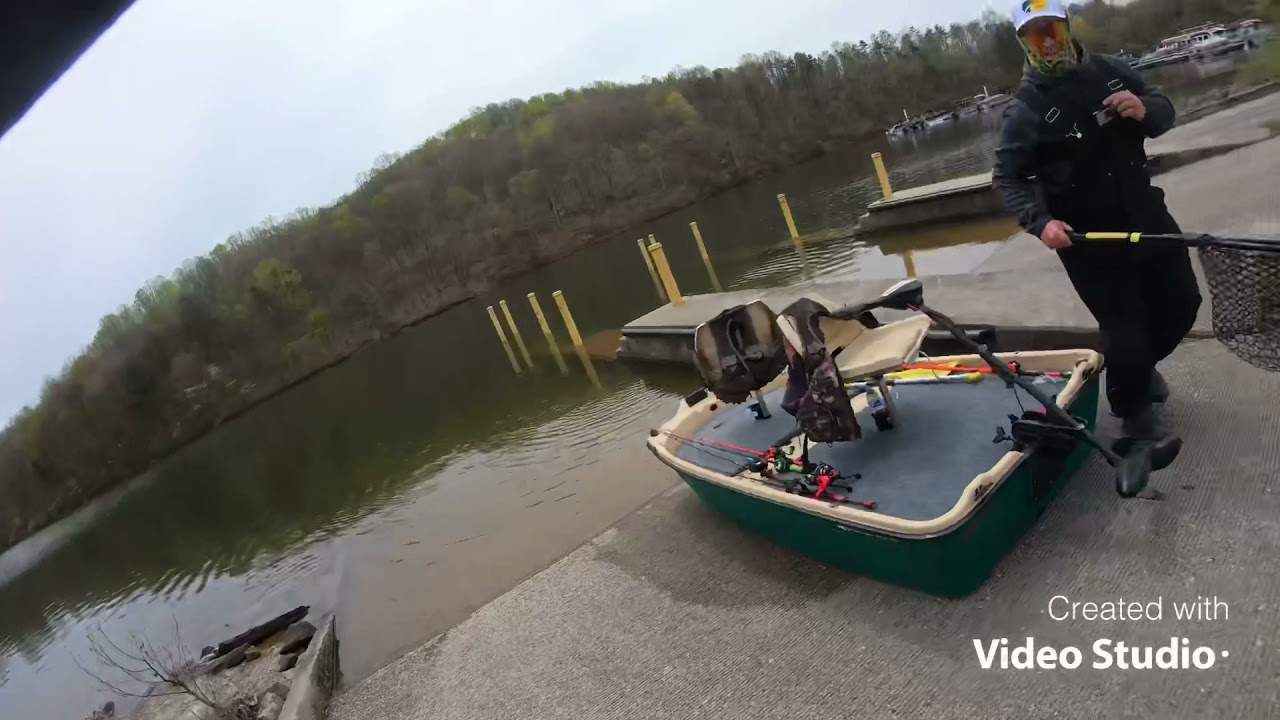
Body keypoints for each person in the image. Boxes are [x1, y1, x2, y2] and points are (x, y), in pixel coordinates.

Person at [991, 0, 1202, 438]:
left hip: (1147, 214)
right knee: (1126, 332)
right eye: (1035, 34)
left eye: (1053, 29)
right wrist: (1040, 222)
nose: (1047, 41)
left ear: (1066, 28)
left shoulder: (1110, 70)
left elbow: (1162, 107)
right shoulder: (1025, 109)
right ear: (1023, 42)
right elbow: (1006, 178)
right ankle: (1133, 417)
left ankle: (1139, 372)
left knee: (1184, 304)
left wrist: (1145, 109)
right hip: (1090, 239)